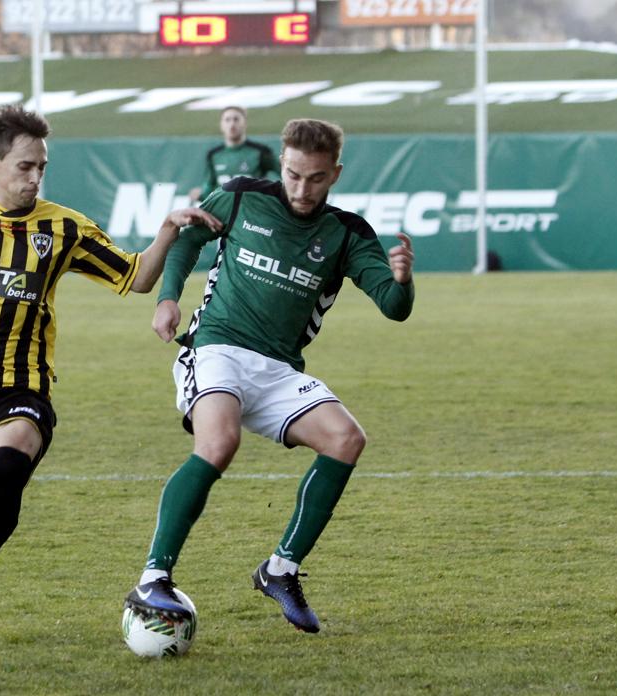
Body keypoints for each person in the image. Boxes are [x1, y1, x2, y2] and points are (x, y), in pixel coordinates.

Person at [0, 105, 222, 642]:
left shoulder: (65, 227)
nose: (34, 178)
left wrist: (166, 228)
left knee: (8, 469)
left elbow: (136, 277)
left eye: (41, 168)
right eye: (25, 166)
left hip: (22, 387)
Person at [124, 118, 416, 634]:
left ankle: (281, 570)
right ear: (281, 163)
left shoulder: (347, 234)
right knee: (219, 443)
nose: (303, 189)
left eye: (317, 178)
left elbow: (394, 309)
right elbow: (189, 238)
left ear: (336, 174)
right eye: (294, 175)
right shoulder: (239, 196)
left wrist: (403, 280)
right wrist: (169, 297)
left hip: (280, 370)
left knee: (346, 439)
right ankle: (154, 576)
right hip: (217, 349)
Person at [188, 105, 279, 203]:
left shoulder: (260, 151)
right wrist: (200, 194)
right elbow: (210, 186)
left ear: (244, 123)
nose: (232, 124)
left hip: (253, 210)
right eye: (227, 120)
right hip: (224, 211)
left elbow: (283, 173)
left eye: (236, 119)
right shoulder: (213, 155)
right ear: (221, 125)